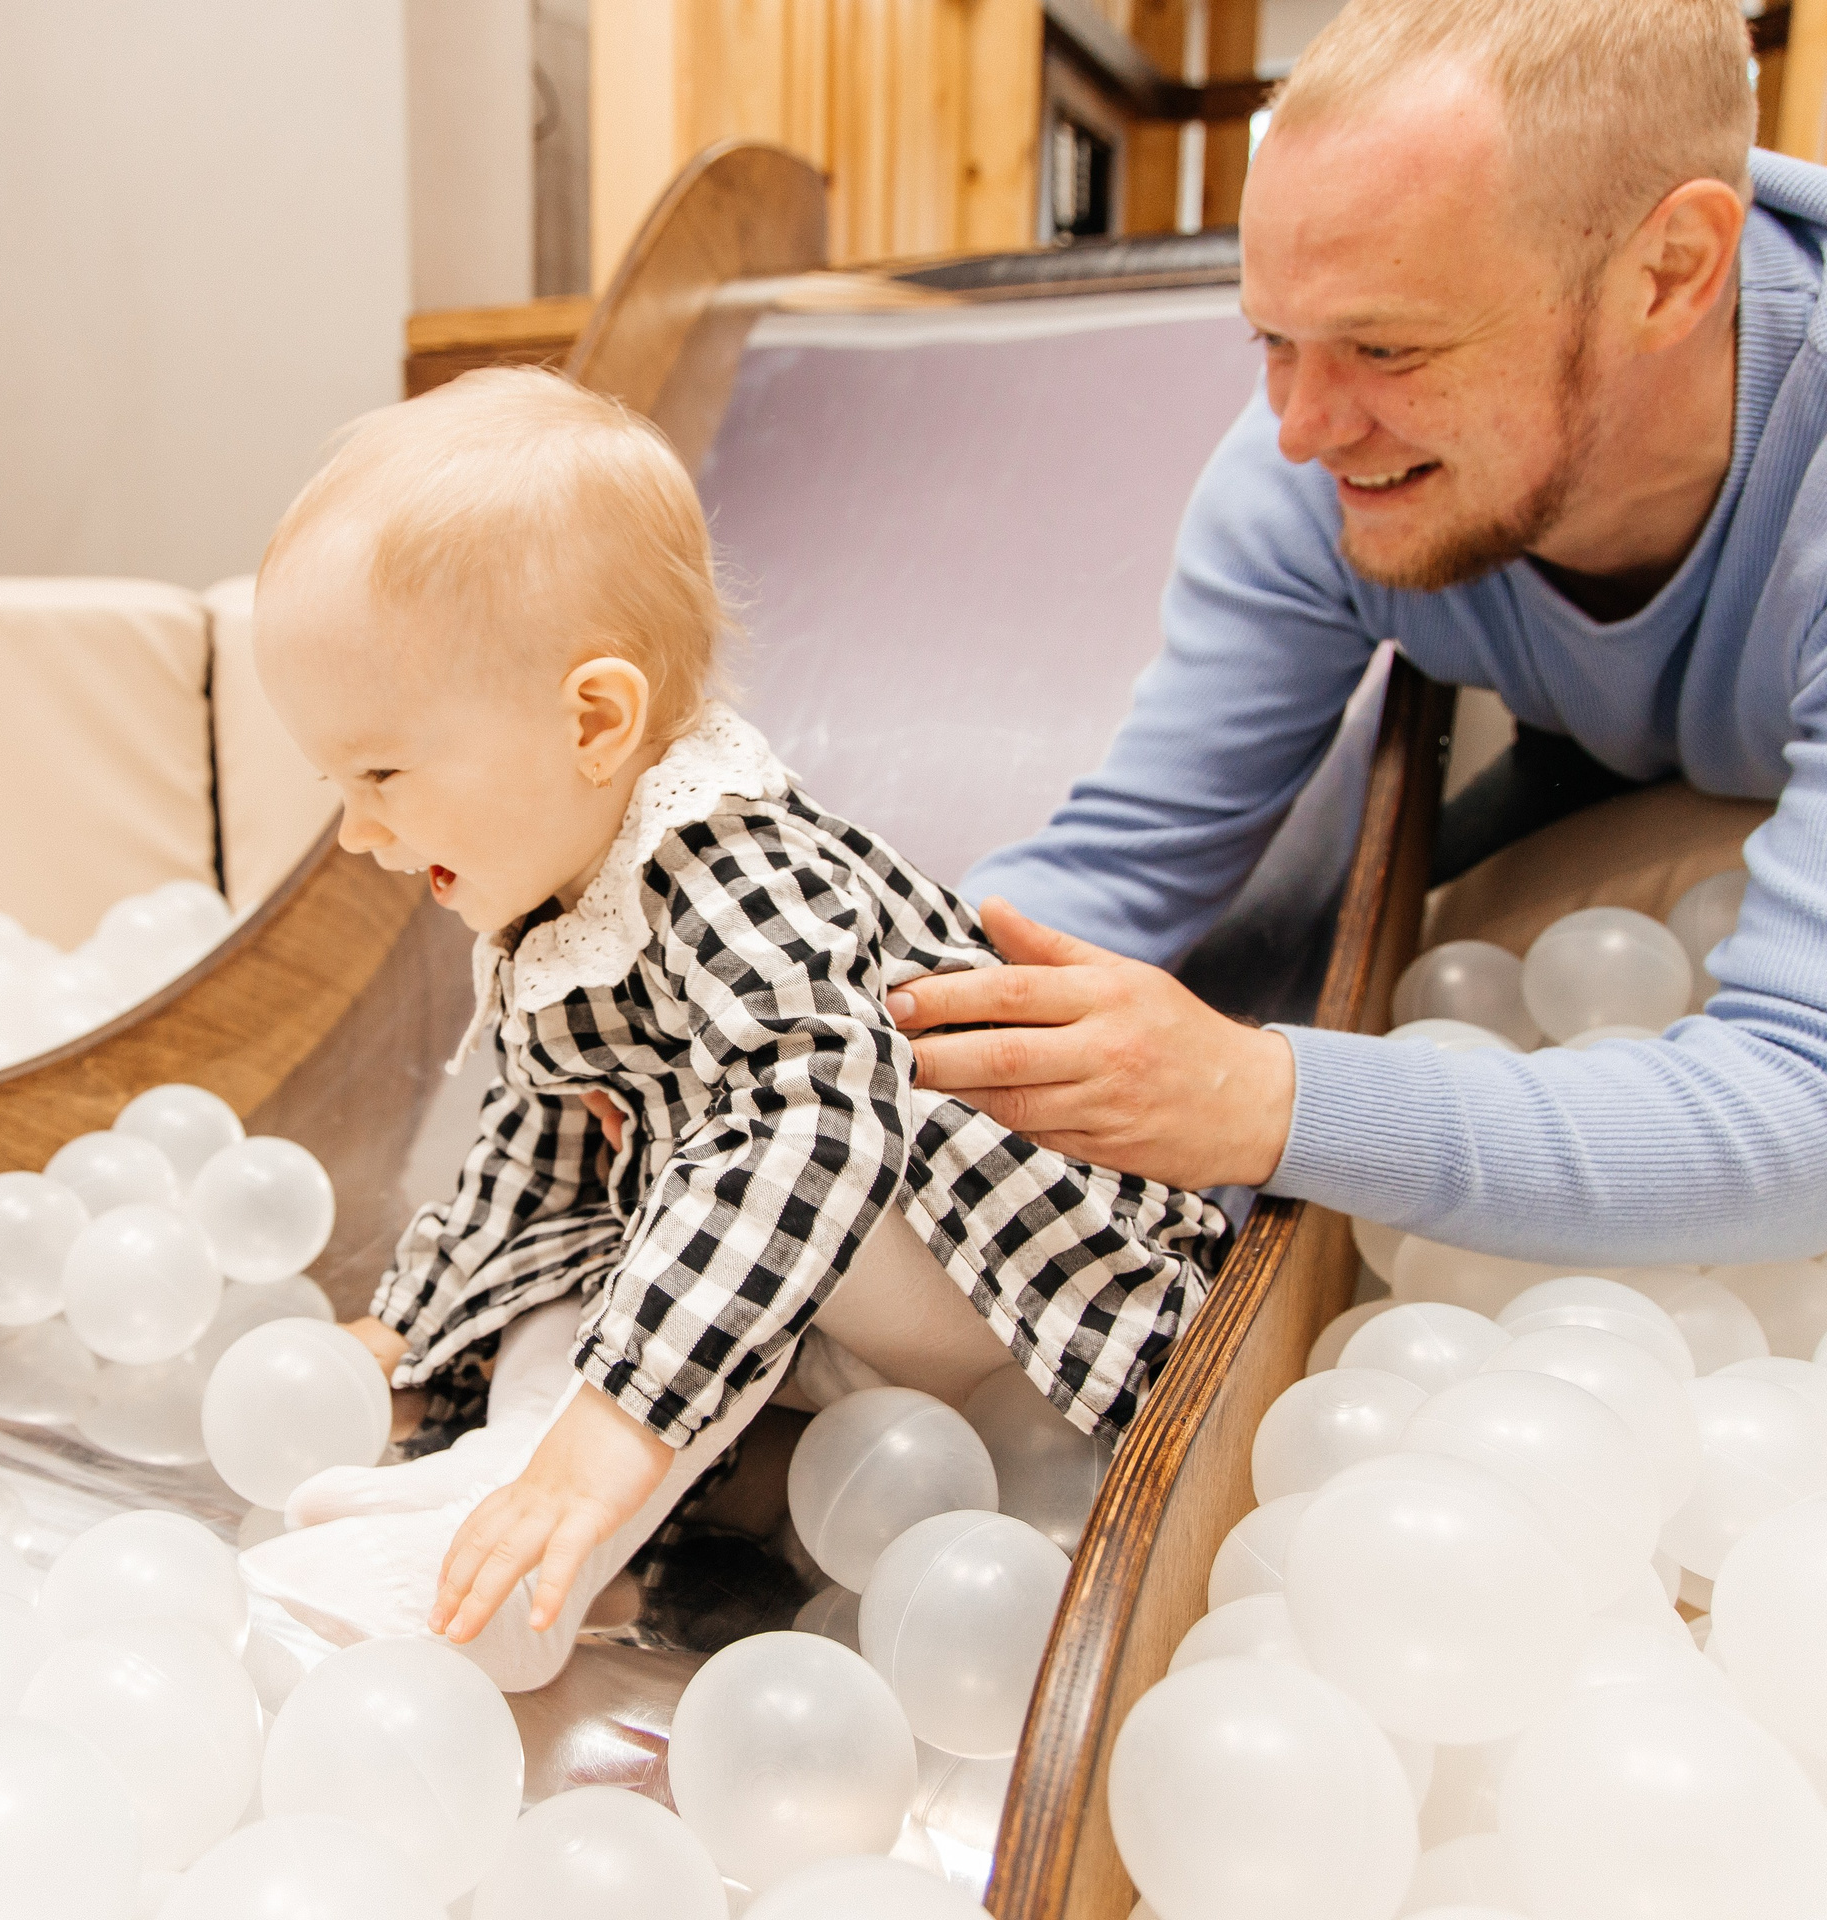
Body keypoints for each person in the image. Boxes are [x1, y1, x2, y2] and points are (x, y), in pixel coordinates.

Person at [235, 368, 1227, 1682]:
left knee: (706, 1183)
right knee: (600, 1209)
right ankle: (506, 1472)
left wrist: (624, 1418)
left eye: (380, 775)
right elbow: (531, 1165)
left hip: (1007, 1295)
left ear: (594, 720)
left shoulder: (741, 870)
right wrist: (417, 1326)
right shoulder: (556, 906)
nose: (357, 832)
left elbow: (808, 1130)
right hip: (844, 1339)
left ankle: (552, 1523)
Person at [896, 0, 1827, 1266]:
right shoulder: (1311, 477)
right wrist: (821, 1021)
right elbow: (1128, 858)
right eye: (1272, 340)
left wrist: (1264, 1099)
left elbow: (1799, 1107)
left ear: (1667, 274)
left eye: (1387, 346)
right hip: (1621, 756)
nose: (1302, 426)